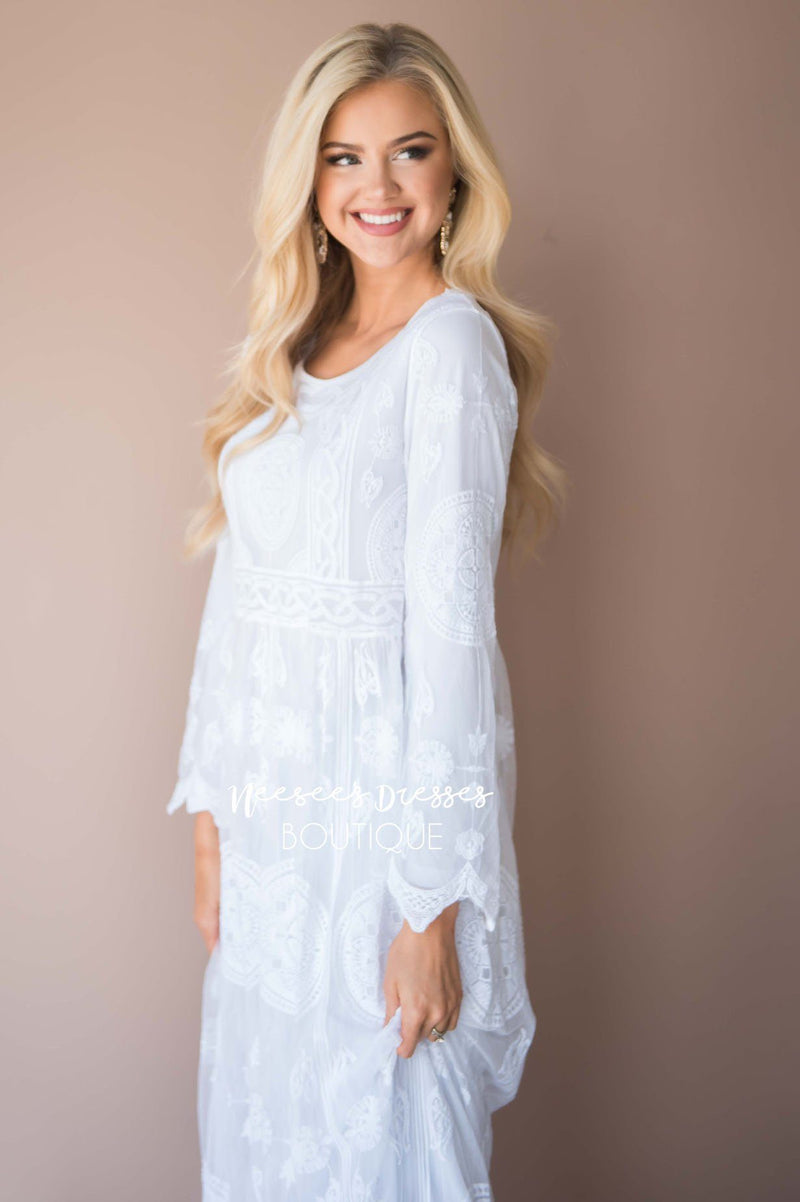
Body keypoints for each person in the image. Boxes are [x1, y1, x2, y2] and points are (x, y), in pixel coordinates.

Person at [166, 21, 565, 1201]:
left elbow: (450, 650)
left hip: (378, 851)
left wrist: (427, 910)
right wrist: (210, 820)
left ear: (454, 173)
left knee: (381, 1151)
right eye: (342, 156)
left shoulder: (449, 353)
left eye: (409, 151)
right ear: (309, 177)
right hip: (272, 839)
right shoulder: (293, 345)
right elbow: (239, 599)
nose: (375, 187)